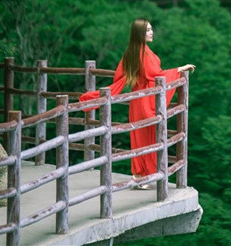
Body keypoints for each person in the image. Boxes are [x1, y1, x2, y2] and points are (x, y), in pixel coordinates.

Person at [80, 18, 195, 190]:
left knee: (141, 137)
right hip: (144, 99)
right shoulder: (141, 53)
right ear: (140, 34)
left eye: (151, 29)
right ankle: (142, 177)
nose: (151, 32)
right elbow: (156, 75)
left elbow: (120, 74)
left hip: (138, 98)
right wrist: (179, 69)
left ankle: (141, 175)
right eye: (148, 30)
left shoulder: (134, 51)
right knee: (146, 137)